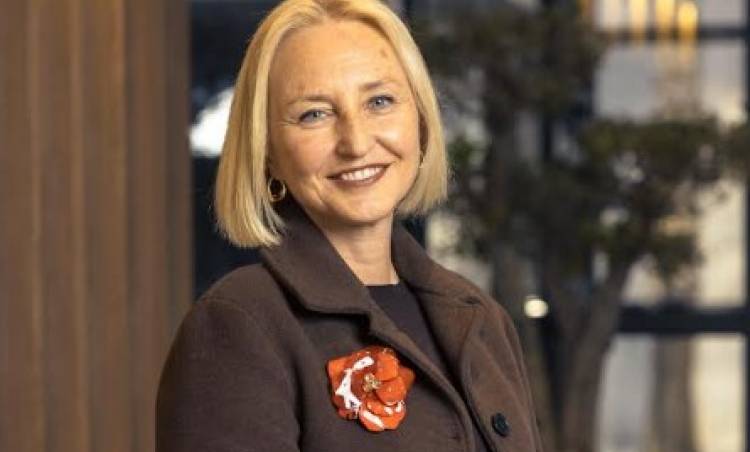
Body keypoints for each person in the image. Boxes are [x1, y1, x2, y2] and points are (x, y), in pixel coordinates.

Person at [156, 0, 543, 451]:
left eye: (379, 101)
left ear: (419, 121)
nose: (356, 143)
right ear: (268, 152)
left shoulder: (481, 317)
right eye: (314, 114)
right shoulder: (240, 326)